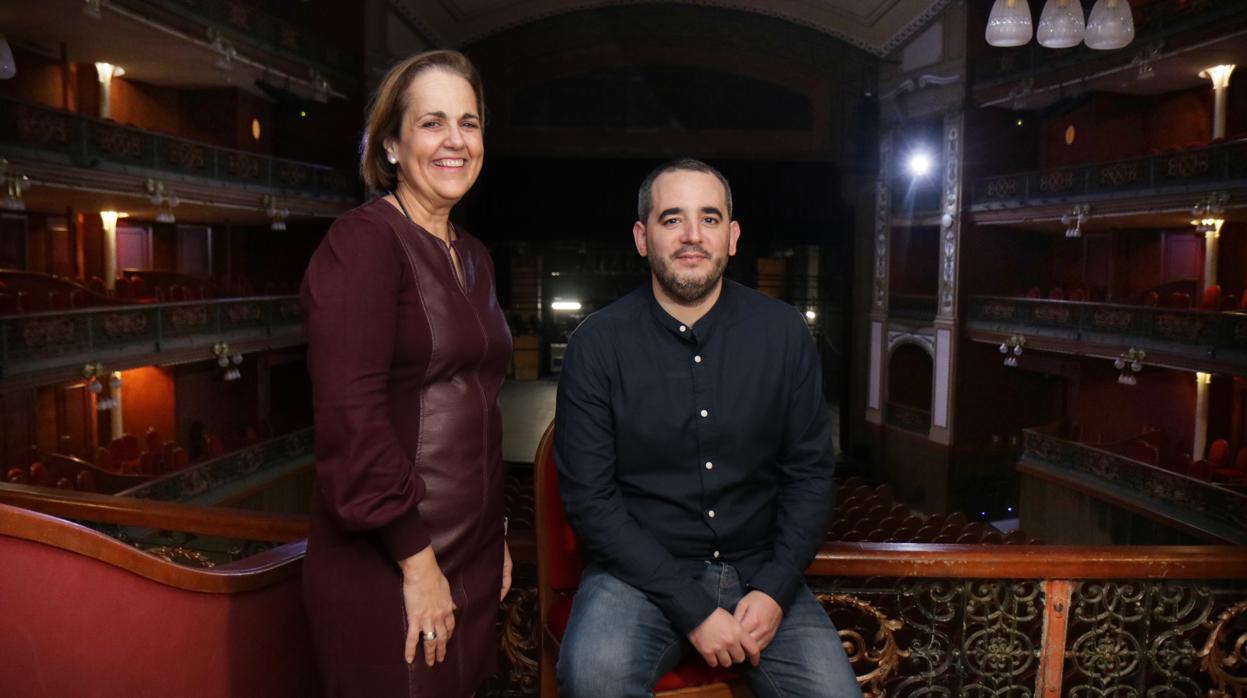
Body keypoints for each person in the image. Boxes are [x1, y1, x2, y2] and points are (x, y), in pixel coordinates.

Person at [554, 159, 860, 697]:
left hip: (761, 572)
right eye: (672, 219)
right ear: (642, 237)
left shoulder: (784, 333)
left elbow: (810, 476)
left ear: (732, 237)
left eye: (710, 219)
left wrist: (775, 588)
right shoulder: (597, 344)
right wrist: (694, 609)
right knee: (593, 677)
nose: (693, 236)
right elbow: (590, 501)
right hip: (638, 576)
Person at [300, 49, 513, 698]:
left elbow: (480, 404)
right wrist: (418, 565)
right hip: (390, 562)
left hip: (471, 555)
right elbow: (351, 420)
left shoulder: (473, 254)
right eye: (432, 123)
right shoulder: (362, 243)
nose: (455, 141)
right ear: (390, 143)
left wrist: (496, 532)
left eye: (469, 123)